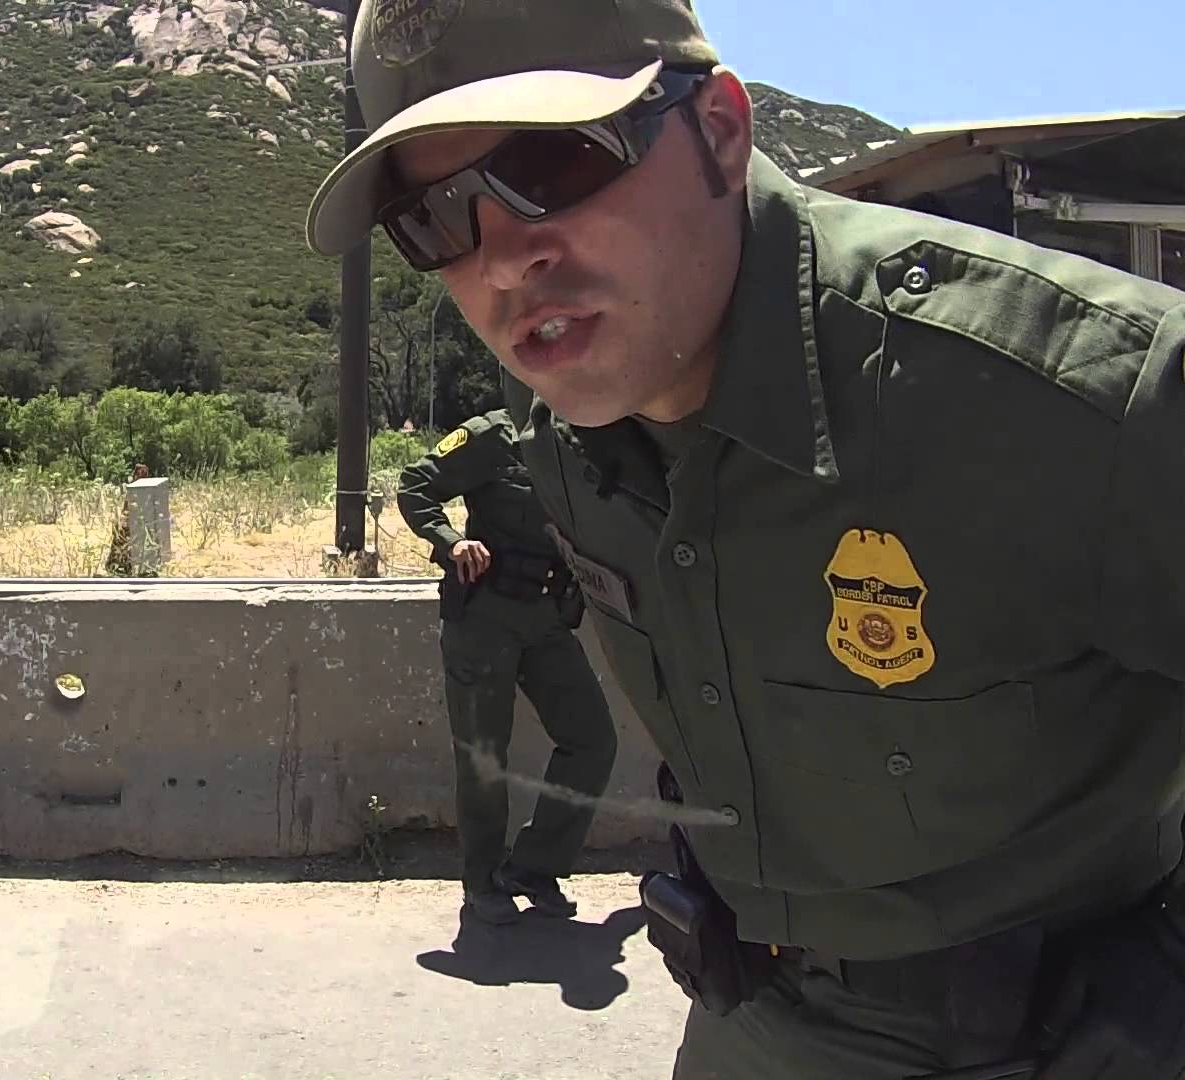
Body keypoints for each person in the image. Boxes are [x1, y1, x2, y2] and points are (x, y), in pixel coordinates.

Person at [305, 1, 1185, 1078]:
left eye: (554, 163)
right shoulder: (564, 444)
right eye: (435, 222)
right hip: (750, 1012)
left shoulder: (1078, 396)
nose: (502, 259)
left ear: (721, 128)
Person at [396, 407, 616, 926]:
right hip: (484, 618)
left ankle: (536, 866)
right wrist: (452, 542)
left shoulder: (595, 434)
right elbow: (415, 485)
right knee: (483, 756)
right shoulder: (493, 434)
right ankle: (482, 880)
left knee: (592, 738)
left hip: (547, 616)